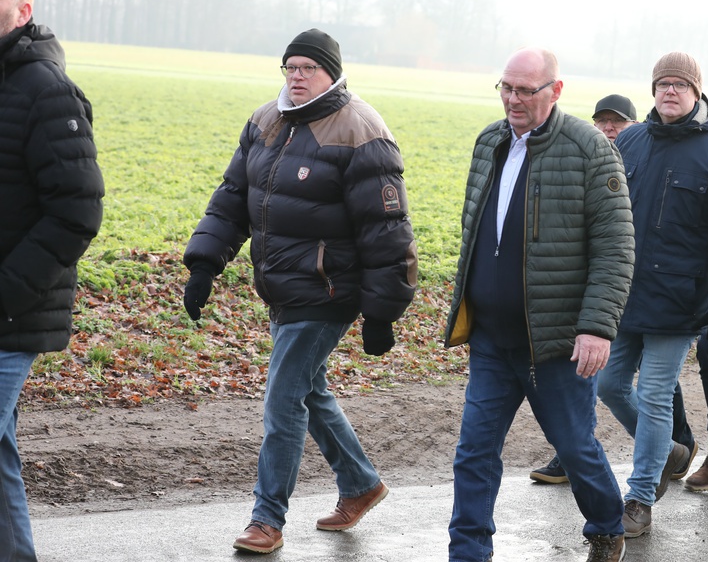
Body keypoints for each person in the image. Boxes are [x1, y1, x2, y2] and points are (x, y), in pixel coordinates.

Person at [183, 29, 417, 554]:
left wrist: (382, 312)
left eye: (308, 68)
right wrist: (204, 263)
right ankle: (360, 482)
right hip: (281, 287)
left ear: (332, 74)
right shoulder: (266, 120)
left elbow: (387, 230)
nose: (297, 76)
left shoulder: (361, 131)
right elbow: (233, 197)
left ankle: (267, 519)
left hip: (328, 291)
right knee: (309, 391)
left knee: (284, 398)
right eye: (290, 67)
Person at [445, 47, 633, 562]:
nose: (513, 99)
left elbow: (616, 248)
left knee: (574, 448)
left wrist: (597, 327)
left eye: (525, 90)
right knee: (474, 452)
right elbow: (474, 232)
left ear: (555, 90)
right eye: (506, 88)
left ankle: (607, 524)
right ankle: (468, 552)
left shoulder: (590, 150)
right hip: (491, 337)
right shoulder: (489, 142)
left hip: (556, 342)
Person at [597, 51, 708, 538]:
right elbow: (604, 215)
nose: (670, 90)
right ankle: (667, 450)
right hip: (624, 294)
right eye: (662, 83)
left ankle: (640, 498)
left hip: (680, 301)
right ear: (653, 90)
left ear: (696, 92)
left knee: (654, 394)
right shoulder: (631, 141)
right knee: (608, 385)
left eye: (680, 84)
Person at [529, 94, 696, 487]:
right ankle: (579, 451)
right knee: (599, 375)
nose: (608, 129)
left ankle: (671, 448)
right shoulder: (586, 159)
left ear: (634, 126)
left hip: (650, 289)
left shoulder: (644, 161)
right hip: (599, 286)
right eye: (601, 121)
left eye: (616, 122)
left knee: (656, 381)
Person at [0, 0, 104, 562]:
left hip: (11, 315)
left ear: (23, 10)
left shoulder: (46, 90)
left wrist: (6, 292)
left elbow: (77, 212)